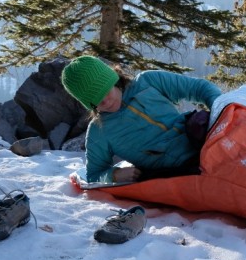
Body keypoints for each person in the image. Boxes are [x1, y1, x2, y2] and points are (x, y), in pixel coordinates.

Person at [60, 55, 223, 185]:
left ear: (113, 79)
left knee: (199, 121)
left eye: (106, 92)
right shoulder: (99, 131)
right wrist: (114, 174)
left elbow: (201, 88)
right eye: (97, 101)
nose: (106, 102)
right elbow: (94, 174)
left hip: (203, 142)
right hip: (174, 170)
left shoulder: (148, 82)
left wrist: (221, 113)